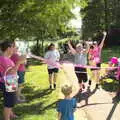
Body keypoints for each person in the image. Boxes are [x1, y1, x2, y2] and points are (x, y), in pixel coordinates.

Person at [0, 41, 26, 120]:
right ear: (8, 48)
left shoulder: (6, 58)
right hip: (8, 82)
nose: (14, 49)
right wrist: (18, 62)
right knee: (8, 103)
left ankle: (11, 114)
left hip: (10, 81)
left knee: (10, 101)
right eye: (13, 47)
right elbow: (11, 73)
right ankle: (7, 118)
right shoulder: (4, 59)